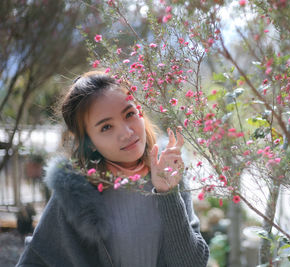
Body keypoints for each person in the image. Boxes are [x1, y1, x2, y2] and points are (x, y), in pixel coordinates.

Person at [17, 71, 209, 266]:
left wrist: (167, 193)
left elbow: (192, 263)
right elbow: (35, 260)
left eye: (129, 114)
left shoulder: (168, 176)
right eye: (106, 127)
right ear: (89, 142)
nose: (126, 133)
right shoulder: (74, 193)